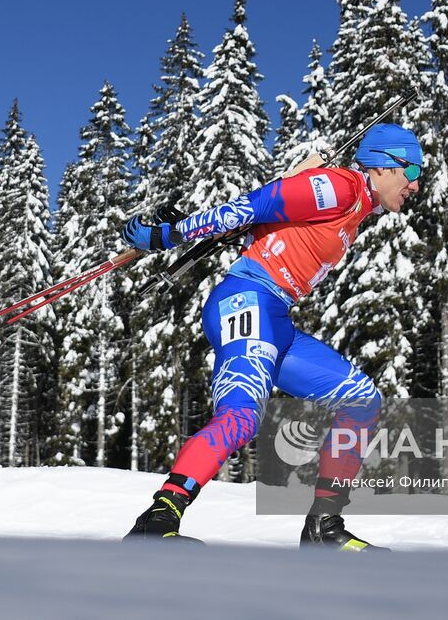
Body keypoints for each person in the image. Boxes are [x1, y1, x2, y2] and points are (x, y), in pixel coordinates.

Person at [120, 123, 423, 550]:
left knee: (361, 401)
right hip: (246, 301)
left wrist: (301, 177)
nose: (415, 184)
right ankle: (156, 522)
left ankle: (323, 529)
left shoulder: (354, 202)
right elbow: (252, 205)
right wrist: (166, 235)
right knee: (241, 416)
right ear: (385, 164)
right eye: (413, 169)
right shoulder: (339, 188)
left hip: (276, 319)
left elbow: (277, 219)